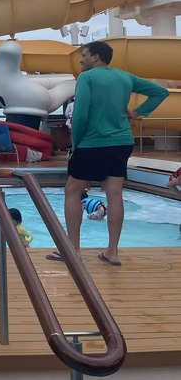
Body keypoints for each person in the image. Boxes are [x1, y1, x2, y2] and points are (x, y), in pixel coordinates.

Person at [52, 41, 169, 267]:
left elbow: (81, 115)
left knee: (73, 190)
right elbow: (160, 92)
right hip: (122, 142)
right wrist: (136, 113)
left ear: (96, 57)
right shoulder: (126, 77)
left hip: (92, 143)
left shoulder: (87, 78)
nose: (81, 60)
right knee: (114, 193)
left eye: (84, 55)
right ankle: (112, 252)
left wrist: (75, 144)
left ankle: (73, 250)